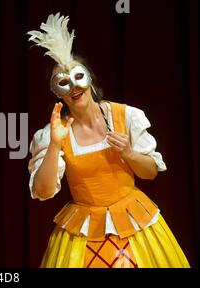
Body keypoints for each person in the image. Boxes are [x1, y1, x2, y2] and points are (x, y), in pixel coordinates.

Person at [27, 13, 190, 268]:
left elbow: (150, 173)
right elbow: (44, 191)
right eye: (63, 82)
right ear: (56, 92)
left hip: (135, 224)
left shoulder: (128, 116)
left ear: (90, 79)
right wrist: (56, 145)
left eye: (78, 77)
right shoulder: (53, 133)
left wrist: (128, 153)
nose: (73, 87)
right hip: (84, 233)